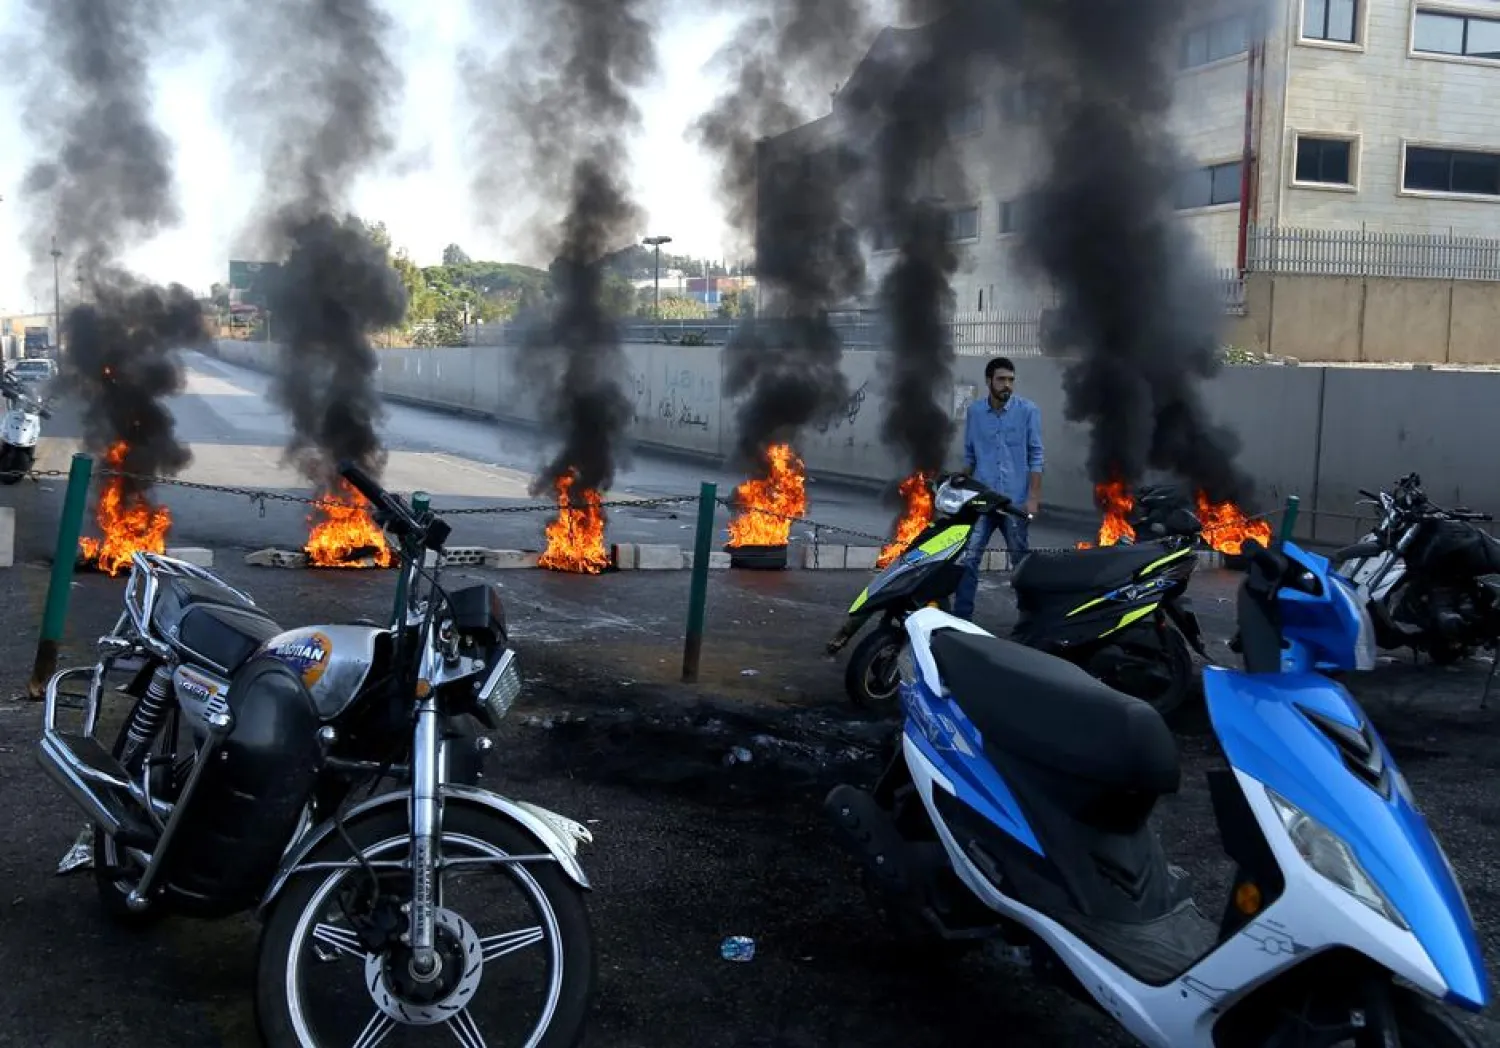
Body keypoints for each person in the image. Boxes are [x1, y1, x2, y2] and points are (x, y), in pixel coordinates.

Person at [952, 356, 1044, 621]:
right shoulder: (975, 413)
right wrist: (960, 478)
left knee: (1020, 563)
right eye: (1002, 379)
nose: (1007, 385)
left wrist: (1033, 498)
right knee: (968, 559)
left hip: (1014, 503)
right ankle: (961, 620)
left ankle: (1030, 620)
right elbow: (970, 456)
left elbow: (1036, 455)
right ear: (988, 381)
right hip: (982, 500)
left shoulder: (1028, 411)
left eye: (1011, 380)